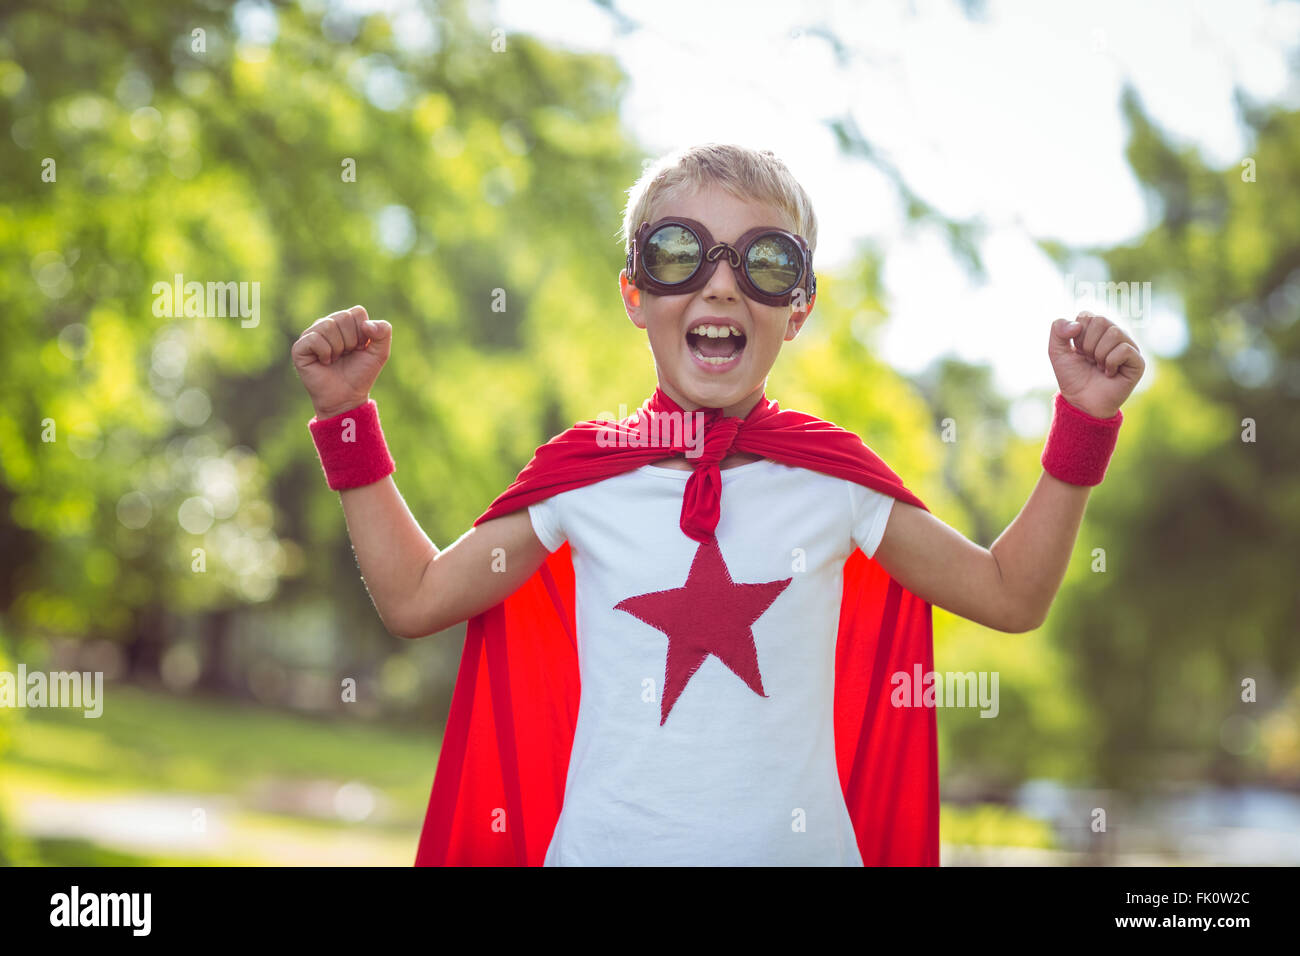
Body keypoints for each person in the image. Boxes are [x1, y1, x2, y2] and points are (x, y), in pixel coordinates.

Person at [291, 143, 1144, 866]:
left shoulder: (834, 479)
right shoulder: (583, 475)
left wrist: (1083, 425)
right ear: (635, 295)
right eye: (679, 254)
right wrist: (346, 421)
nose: (721, 287)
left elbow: (1010, 594)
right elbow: (415, 599)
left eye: (766, 262)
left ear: (799, 307)